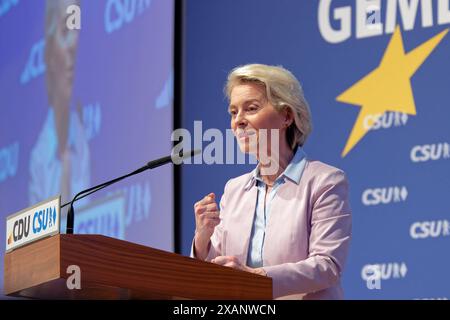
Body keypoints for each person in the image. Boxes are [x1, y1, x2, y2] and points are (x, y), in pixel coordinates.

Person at [192, 64, 352, 299]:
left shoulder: (325, 181)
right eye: (233, 112)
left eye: (251, 109)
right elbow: (217, 267)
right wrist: (202, 236)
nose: (238, 121)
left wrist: (255, 279)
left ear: (287, 116)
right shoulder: (234, 189)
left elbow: (327, 266)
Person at [29, 0, 90, 207]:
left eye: (77, 33)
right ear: (48, 53)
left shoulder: (86, 138)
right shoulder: (38, 158)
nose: (73, 45)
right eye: (65, 31)